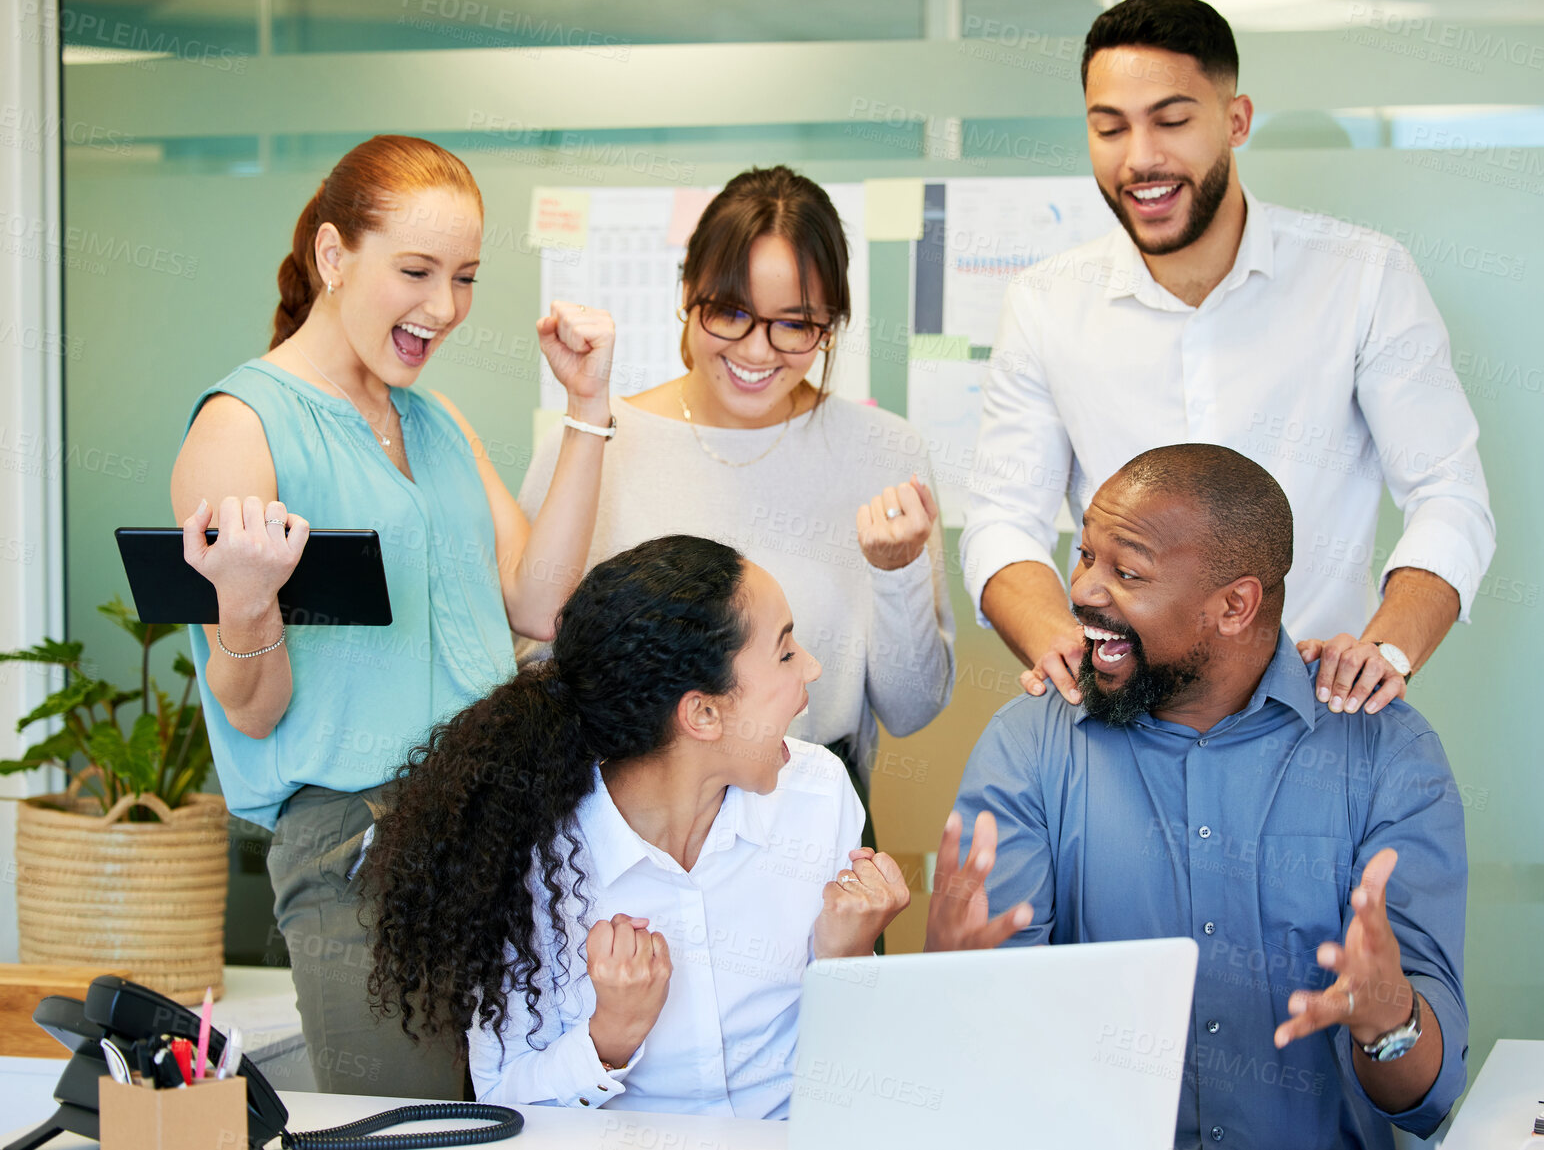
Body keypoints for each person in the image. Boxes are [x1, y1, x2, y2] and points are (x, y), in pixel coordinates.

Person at [169, 135, 616, 1097]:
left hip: (494, 834)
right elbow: (249, 709)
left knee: (514, 1116)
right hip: (357, 857)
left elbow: (538, 600)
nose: (444, 308)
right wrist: (248, 600)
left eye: (463, 278)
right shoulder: (241, 427)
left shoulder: (436, 422)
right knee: (407, 1128)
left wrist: (587, 408)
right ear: (335, 257)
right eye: (415, 272)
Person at [962, 0, 1495, 722]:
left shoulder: (1363, 277)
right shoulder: (1045, 303)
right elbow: (1001, 517)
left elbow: (1449, 493)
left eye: (1172, 120)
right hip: (1121, 725)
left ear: (1236, 119)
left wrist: (1386, 652)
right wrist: (1057, 639)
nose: (1140, 157)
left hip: (1315, 716)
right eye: (1109, 128)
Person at [929, 445, 1468, 1148]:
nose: (1085, 590)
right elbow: (982, 1062)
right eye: (1086, 555)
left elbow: (1426, 1100)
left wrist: (1391, 1020)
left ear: (1235, 605)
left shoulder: (1386, 753)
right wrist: (951, 981)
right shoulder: (1032, 743)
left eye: (1127, 572)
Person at [363, 535, 910, 1116]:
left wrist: (846, 959)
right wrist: (610, 1036)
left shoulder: (820, 793)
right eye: (785, 652)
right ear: (702, 712)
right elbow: (502, 1099)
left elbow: (856, 1078)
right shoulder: (533, 853)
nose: (814, 667)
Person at [519, 164, 956, 812]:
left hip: (811, 825)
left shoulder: (887, 452)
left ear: (830, 323)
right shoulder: (587, 441)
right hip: (628, 827)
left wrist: (897, 573)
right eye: (729, 312)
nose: (758, 351)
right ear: (687, 293)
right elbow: (533, 668)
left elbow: (912, 708)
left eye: (795, 323)